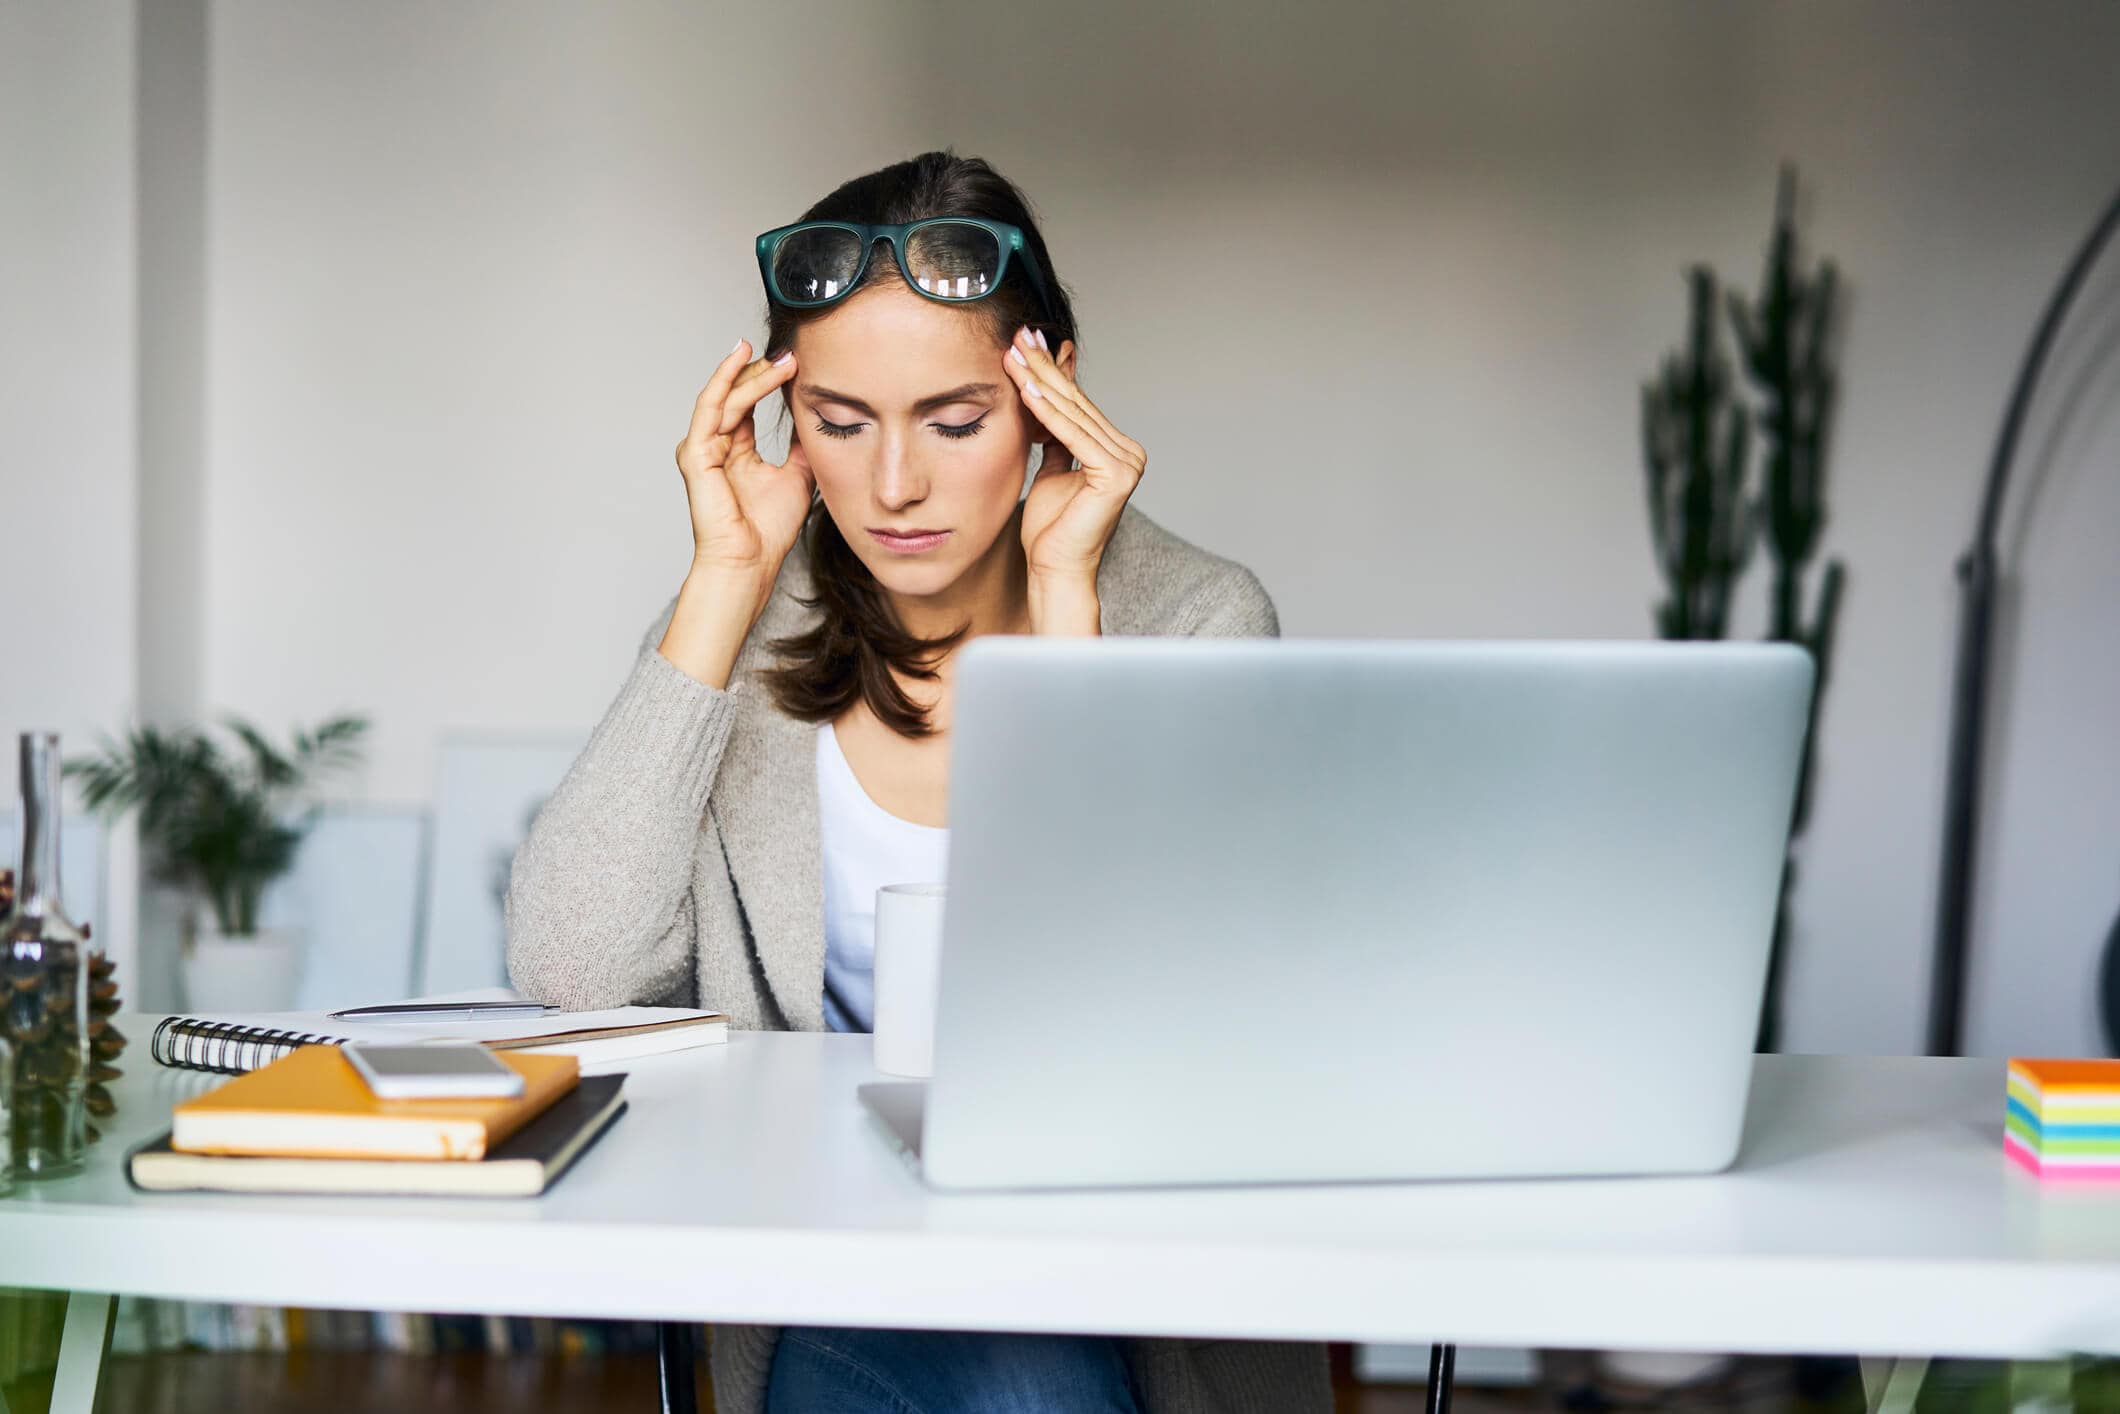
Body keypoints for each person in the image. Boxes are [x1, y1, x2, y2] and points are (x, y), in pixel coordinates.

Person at [506, 149, 1331, 1414]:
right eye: (839, 423)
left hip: (1109, 1276)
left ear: (1047, 397)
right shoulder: (741, 628)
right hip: (828, 1274)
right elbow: (570, 968)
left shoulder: (1199, 623)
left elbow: (1144, 1020)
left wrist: (1065, 606)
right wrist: (722, 578)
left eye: (953, 423)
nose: (892, 487)